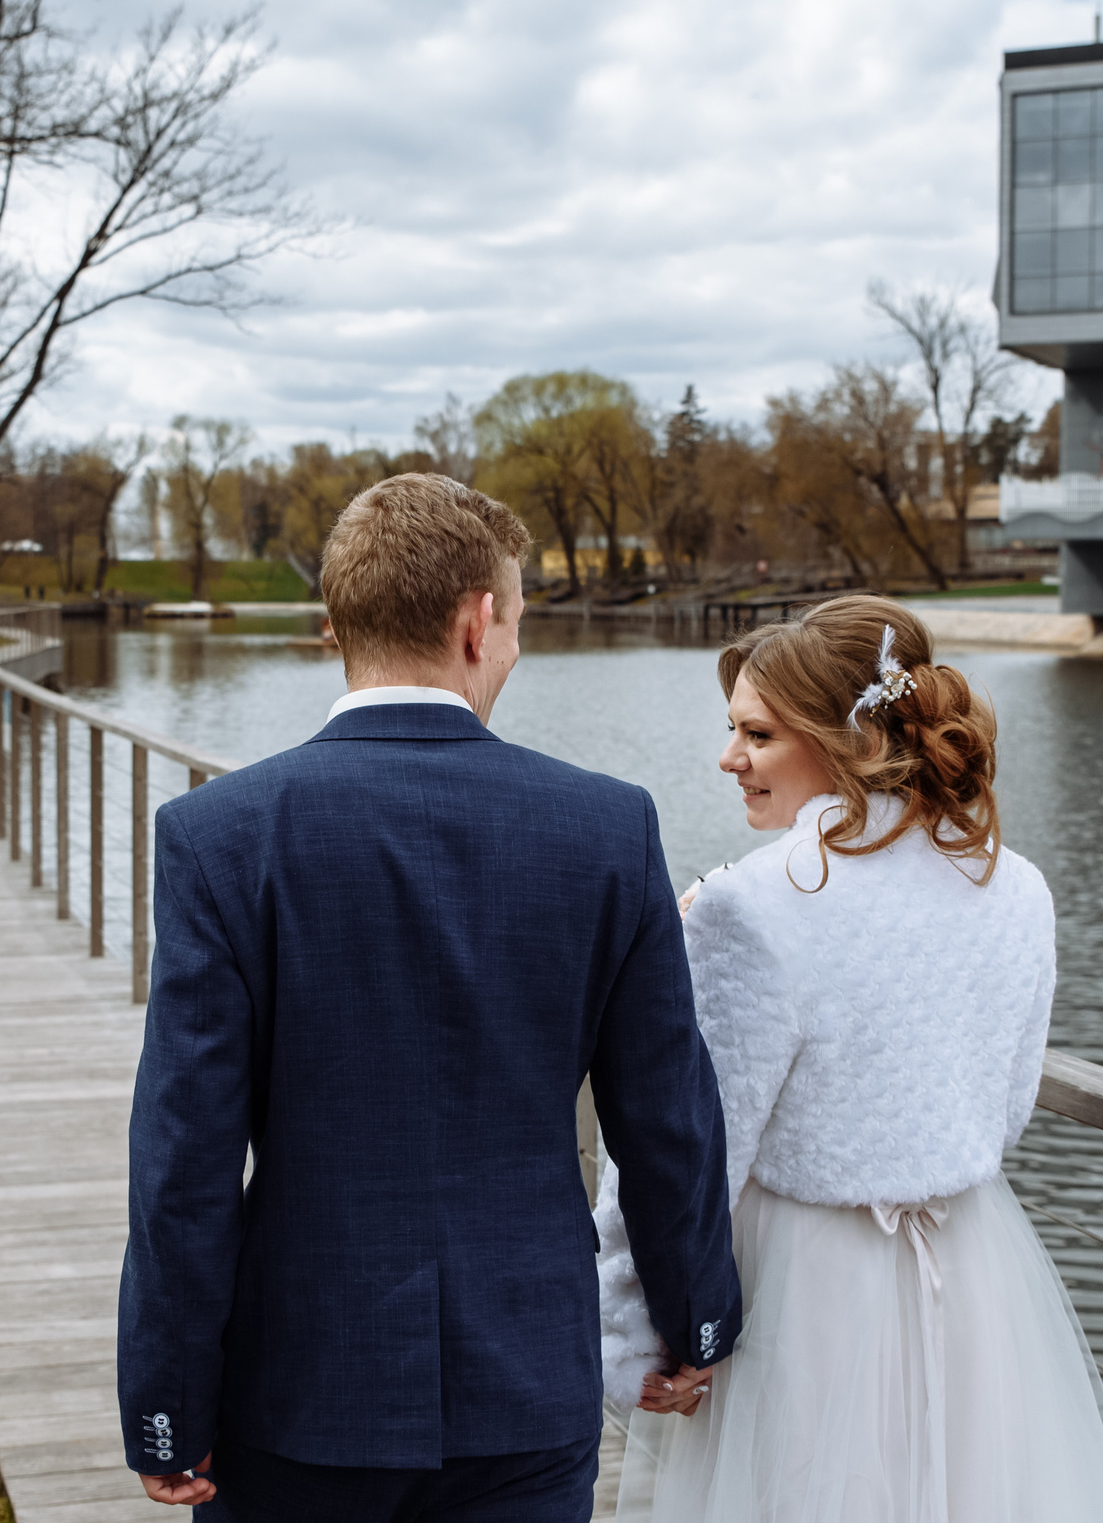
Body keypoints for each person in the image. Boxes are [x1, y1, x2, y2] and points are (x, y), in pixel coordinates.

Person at [119, 472, 743, 1521]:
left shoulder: (219, 834)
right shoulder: (607, 828)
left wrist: (167, 1401)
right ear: (476, 619)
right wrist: (696, 1324)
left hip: (294, 1390)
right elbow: (666, 1120)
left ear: (336, 626)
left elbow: (182, 1152)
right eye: (514, 628)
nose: (509, 653)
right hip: (525, 1379)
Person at [599, 594, 1103, 1522]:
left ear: (841, 741)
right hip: (975, 1275)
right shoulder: (1014, 885)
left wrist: (632, 1332)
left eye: (757, 735)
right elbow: (1005, 1109)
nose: (728, 759)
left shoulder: (752, 907)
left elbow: (687, 1156)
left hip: (807, 1295)